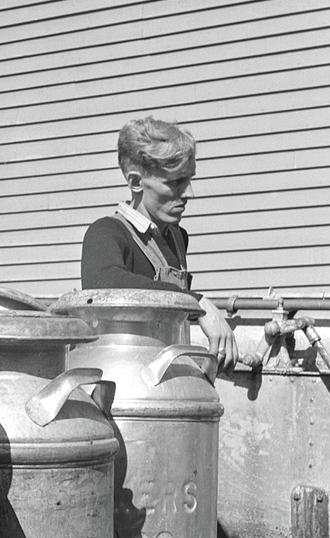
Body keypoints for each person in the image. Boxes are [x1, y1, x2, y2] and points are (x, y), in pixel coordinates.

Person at [80, 115, 238, 372]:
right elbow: (103, 283)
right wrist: (197, 303)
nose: (189, 193)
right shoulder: (106, 233)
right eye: (175, 182)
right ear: (135, 182)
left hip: (168, 385)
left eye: (189, 179)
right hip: (120, 390)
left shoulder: (176, 237)